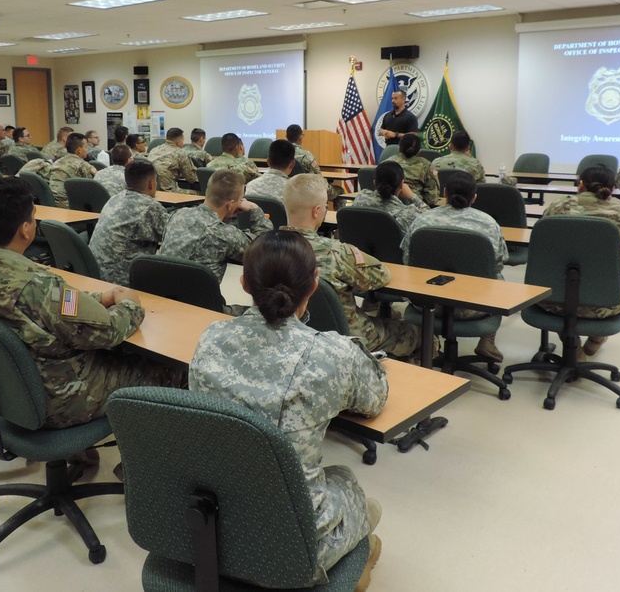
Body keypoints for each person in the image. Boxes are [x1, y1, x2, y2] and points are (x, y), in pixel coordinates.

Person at [188, 229, 387, 590]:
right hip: (290, 550)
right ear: (314, 284)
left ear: (245, 283)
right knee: (359, 496)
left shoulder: (210, 338)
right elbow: (374, 400)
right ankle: (357, 561)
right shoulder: (330, 354)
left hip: (213, 526)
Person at [0, 177, 181, 429]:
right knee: (175, 370)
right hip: (62, 400)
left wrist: (99, 298)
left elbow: (56, 311)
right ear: (25, 229)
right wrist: (129, 304)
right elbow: (109, 331)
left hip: (7, 391)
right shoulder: (41, 286)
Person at [282, 174, 423, 362]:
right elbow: (381, 276)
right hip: (346, 337)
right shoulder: (337, 252)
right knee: (419, 333)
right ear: (316, 211)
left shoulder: (264, 248)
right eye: (325, 207)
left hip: (291, 333)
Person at [401, 173, 508, 362]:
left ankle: (428, 338)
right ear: (474, 197)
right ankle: (487, 341)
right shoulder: (489, 224)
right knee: (499, 279)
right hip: (475, 307)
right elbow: (498, 264)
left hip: (427, 304)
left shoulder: (423, 220)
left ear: (445, 193)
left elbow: (408, 260)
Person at [541, 164, 620, 358]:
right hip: (605, 303)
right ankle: (595, 340)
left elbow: (545, 228)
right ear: (612, 189)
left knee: (562, 280)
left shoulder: (559, 207)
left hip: (554, 300)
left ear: (580, 184)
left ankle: (573, 347)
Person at [158, 169, 272, 283]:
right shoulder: (222, 233)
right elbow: (262, 248)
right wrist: (255, 209)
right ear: (230, 204)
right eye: (241, 199)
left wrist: (227, 215)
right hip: (200, 298)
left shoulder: (178, 214)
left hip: (162, 289)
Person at [89, 160, 168, 286]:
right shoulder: (149, 207)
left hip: (96, 273)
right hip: (122, 281)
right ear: (151, 183)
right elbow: (173, 236)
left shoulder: (115, 198)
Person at [351, 160, 428, 233]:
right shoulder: (407, 214)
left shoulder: (361, 197)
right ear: (401, 184)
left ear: (374, 182)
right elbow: (431, 218)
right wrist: (412, 196)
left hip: (357, 246)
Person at [387, 133, 439, 208]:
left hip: (389, 209)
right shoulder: (427, 166)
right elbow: (432, 199)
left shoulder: (386, 163)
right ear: (419, 152)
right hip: (416, 210)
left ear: (399, 149)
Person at [47, 132, 96, 207]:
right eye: (86, 147)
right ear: (79, 150)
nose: (87, 150)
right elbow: (93, 188)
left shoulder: (57, 162)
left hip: (51, 202)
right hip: (68, 205)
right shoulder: (83, 165)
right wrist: (95, 173)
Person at [148, 128, 199, 194]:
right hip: (168, 192)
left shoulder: (154, 150)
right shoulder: (180, 153)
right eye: (182, 141)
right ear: (178, 142)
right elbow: (192, 178)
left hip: (151, 190)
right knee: (197, 193)